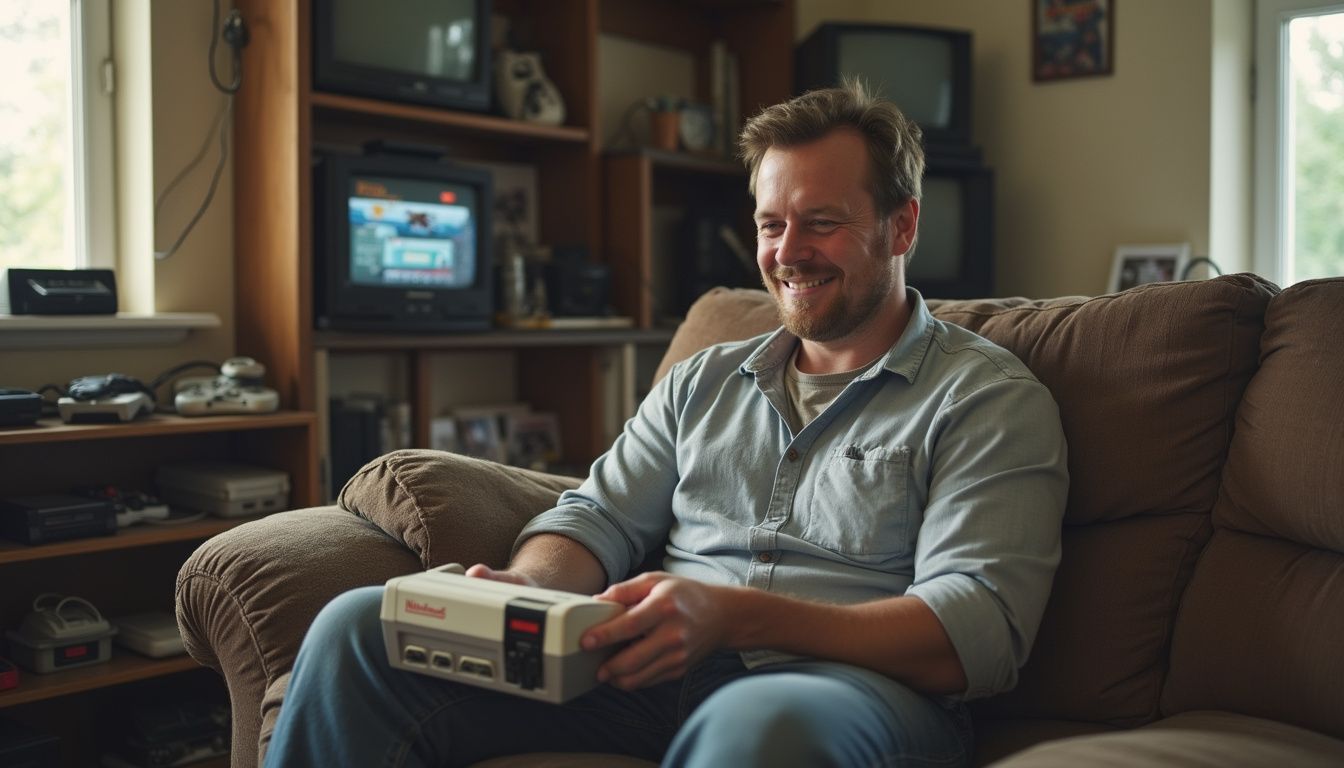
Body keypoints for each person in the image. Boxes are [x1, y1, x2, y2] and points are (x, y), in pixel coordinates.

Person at [265, 81, 1068, 767]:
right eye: (769, 224)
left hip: (848, 694)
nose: (788, 252)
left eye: (821, 221)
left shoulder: (985, 397)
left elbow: (978, 630)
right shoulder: (705, 381)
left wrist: (734, 615)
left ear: (902, 227)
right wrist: (535, 591)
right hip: (646, 673)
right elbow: (595, 515)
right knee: (358, 627)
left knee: (757, 726)